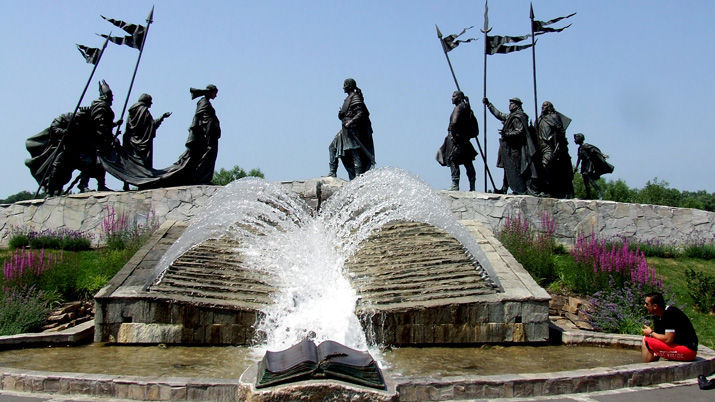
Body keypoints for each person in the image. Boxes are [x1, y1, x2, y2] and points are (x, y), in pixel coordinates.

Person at [483, 97, 541, 195]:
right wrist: (489, 104)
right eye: (509, 103)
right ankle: (504, 188)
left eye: (512, 104)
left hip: (516, 147)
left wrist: (506, 134)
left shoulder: (518, 117)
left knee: (516, 167)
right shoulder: (512, 116)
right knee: (508, 167)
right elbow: (499, 115)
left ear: (517, 105)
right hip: (510, 147)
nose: (509, 105)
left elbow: (520, 131)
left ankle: (520, 189)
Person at [121, 94, 171, 190]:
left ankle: (126, 184)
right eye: (150, 102)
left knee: (129, 163)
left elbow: (129, 126)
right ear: (146, 101)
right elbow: (151, 126)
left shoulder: (132, 111)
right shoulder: (144, 112)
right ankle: (143, 183)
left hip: (129, 141)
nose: (151, 104)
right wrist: (162, 118)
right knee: (142, 165)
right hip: (142, 143)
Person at [79, 80, 122, 192]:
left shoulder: (104, 106)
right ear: (105, 96)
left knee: (102, 163)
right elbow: (100, 124)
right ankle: (83, 185)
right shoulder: (101, 106)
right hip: (96, 138)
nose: (112, 98)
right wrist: (108, 134)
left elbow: (105, 123)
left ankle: (101, 184)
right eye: (110, 96)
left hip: (103, 138)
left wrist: (115, 124)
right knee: (91, 161)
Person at [328, 78, 374, 180]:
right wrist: (340, 115)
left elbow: (361, 113)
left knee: (355, 152)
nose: (343, 87)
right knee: (332, 147)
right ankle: (332, 172)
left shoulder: (355, 97)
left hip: (352, 130)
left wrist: (350, 122)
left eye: (345, 85)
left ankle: (358, 176)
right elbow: (347, 113)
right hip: (345, 129)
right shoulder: (348, 98)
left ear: (349, 86)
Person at [436, 91, 478, 191]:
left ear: (459, 98)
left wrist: (452, 133)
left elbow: (454, 122)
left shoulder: (458, 108)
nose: (452, 98)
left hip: (456, 139)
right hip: (464, 139)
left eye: (454, 96)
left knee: (453, 160)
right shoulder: (467, 108)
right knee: (468, 162)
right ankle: (472, 186)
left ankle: (455, 184)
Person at [641, 292, 698, 362]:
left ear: (655, 306)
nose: (644, 306)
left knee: (646, 340)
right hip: (679, 347)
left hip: (688, 351)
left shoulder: (670, 314)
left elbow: (668, 340)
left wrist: (650, 333)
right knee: (651, 340)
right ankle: (652, 368)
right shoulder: (657, 317)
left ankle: (646, 370)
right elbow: (659, 338)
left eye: (647, 304)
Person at [185, 84, 221, 184]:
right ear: (211, 92)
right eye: (215, 93)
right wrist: (209, 136)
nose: (216, 95)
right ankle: (201, 177)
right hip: (207, 137)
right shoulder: (204, 102)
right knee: (206, 156)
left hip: (210, 136)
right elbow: (205, 120)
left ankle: (204, 177)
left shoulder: (205, 102)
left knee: (209, 157)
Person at [537, 101, 574, 198]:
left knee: (545, 165)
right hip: (541, 147)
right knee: (540, 168)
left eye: (545, 105)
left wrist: (559, 144)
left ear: (549, 107)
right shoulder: (540, 119)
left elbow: (561, 131)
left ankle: (546, 190)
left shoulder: (554, 117)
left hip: (550, 147)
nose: (542, 107)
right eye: (542, 106)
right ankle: (542, 189)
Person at [573, 133, 614, 200]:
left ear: (580, 139)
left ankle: (600, 193)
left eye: (576, 139)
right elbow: (579, 159)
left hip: (588, 165)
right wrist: (576, 167)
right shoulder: (579, 148)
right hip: (583, 165)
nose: (574, 140)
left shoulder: (586, 145)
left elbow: (595, 150)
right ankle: (588, 196)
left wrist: (602, 155)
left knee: (590, 180)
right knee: (585, 181)